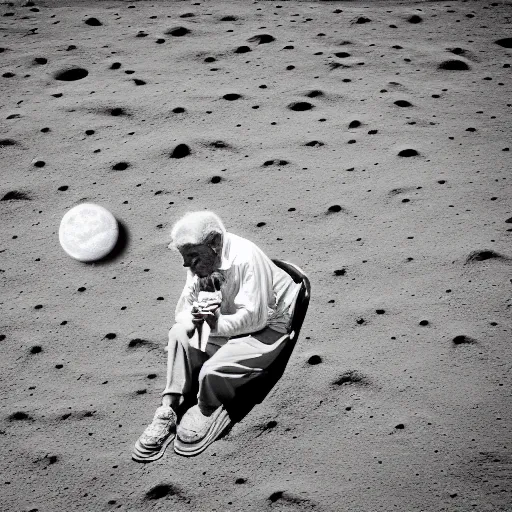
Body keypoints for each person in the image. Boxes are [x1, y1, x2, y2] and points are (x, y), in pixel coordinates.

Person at [133, 210, 302, 461]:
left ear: (215, 243)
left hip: (267, 327)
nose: (186, 264)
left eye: (192, 256)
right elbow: (182, 310)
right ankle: (170, 406)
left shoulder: (246, 259)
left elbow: (255, 318)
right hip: (224, 320)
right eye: (184, 257)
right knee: (178, 333)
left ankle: (207, 408)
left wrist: (214, 325)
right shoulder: (201, 261)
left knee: (212, 370)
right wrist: (195, 317)